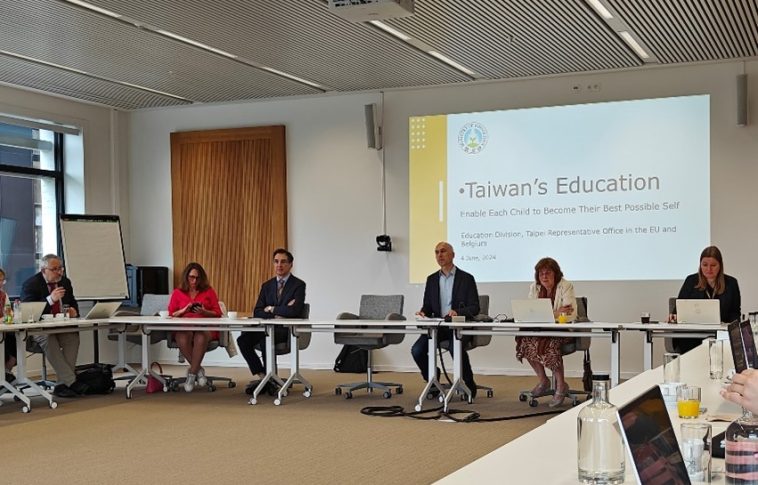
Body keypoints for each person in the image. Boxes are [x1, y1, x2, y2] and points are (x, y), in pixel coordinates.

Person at [411, 242, 480, 398]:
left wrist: (458, 312)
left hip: (458, 327)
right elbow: (428, 305)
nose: (439, 255)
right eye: (436, 252)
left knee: (455, 348)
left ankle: (468, 383)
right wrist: (423, 312)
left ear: (453, 255)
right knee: (417, 350)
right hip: (437, 327)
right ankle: (432, 378)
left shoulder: (466, 278)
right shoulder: (431, 279)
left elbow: (475, 307)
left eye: (443, 251)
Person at [238, 249, 306, 395]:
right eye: (276, 261)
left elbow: (294, 311)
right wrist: (280, 311)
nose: (279, 265)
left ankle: (271, 380)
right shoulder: (267, 285)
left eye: (283, 262)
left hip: (285, 330)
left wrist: (271, 308)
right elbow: (257, 311)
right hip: (266, 327)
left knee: (265, 339)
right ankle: (264, 376)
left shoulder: (299, 285)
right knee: (243, 340)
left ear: (291, 264)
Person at [515, 257, 577, 408]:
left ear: (555, 273)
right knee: (525, 341)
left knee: (550, 344)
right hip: (541, 330)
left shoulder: (565, 286)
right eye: (541, 273)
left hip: (562, 330)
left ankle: (561, 385)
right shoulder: (534, 288)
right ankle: (543, 380)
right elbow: (531, 312)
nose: (544, 276)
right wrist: (555, 312)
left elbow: (570, 313)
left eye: (548, 273)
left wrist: (549, 315)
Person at [20, 254, 84, 397]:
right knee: (48, 338)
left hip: (60, 325)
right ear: (44, 270)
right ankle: (71, 381)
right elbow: (28, 312)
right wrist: (50, 300)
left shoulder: (65, 282)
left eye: (60, 269)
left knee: (73, 337)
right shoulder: (31, 284)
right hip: (38, 329)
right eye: (55, 269)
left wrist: (74, 311)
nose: (59, 272)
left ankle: (62, 384)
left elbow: (73, 303)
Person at [668, 246, 741, 354]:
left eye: (713, 265)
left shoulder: (731, 283)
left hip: (720, 335)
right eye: (705, 265)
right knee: (689, 346)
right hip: (692, 335)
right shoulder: (691, 281)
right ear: (700, 265)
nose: (708, 269)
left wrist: (731, 325)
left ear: (720, 265)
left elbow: (735, 313)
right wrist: (673, 317)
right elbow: (679, 308)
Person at [168, 262, 222, 392]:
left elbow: (218, 313)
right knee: (181, 337)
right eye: (192, 277)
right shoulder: (177, 292)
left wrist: (204, 312)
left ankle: (192, 374)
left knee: (200, 337)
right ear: (186, 277)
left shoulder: (208, 291)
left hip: (205, 326)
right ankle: (198, 370)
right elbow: (171, 314)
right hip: (185, 326)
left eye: (197, 278)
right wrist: (184, 310)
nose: (194, 281)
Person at [1, 267, 17, 383]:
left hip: (4, 330)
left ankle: (6, 372)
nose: (1, 283)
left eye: (3, 280)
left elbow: (8, 313)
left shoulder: (3, 295)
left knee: (16, 339)